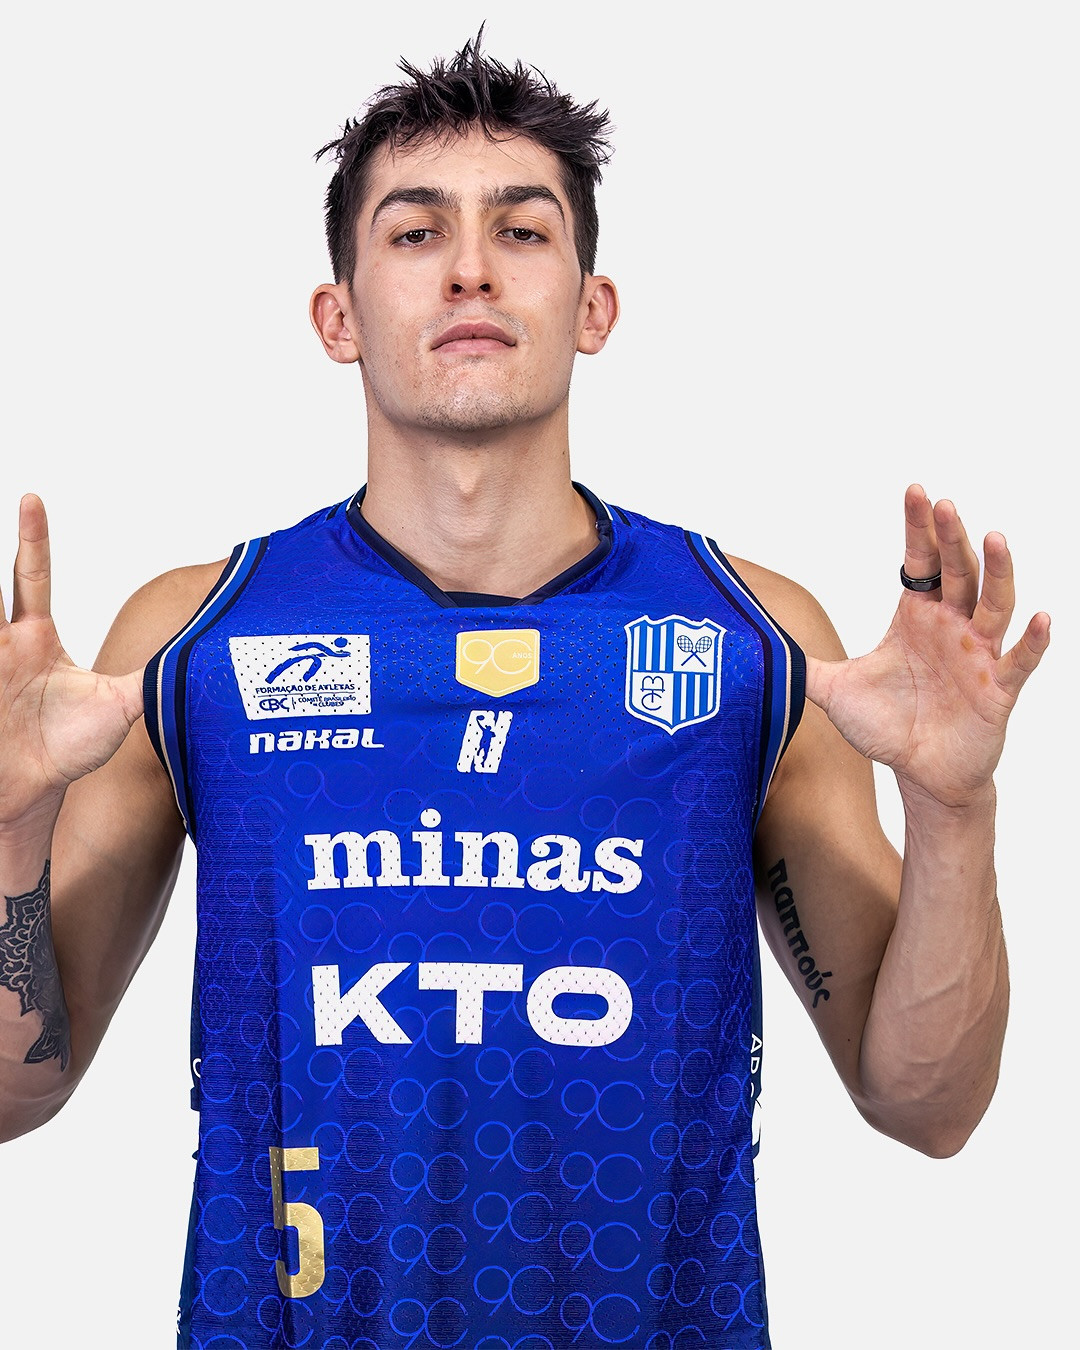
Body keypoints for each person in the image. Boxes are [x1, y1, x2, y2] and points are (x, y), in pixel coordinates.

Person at [0, 32, 1050, 1350]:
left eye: (523, 229)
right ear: (337, 317)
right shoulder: (195, 638)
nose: (471, 269)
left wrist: (953, 808)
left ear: (594, 307)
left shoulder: (753, 640)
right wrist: (9, 830)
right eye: (415, 232)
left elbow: (927, 1107)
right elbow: (13, 1092)